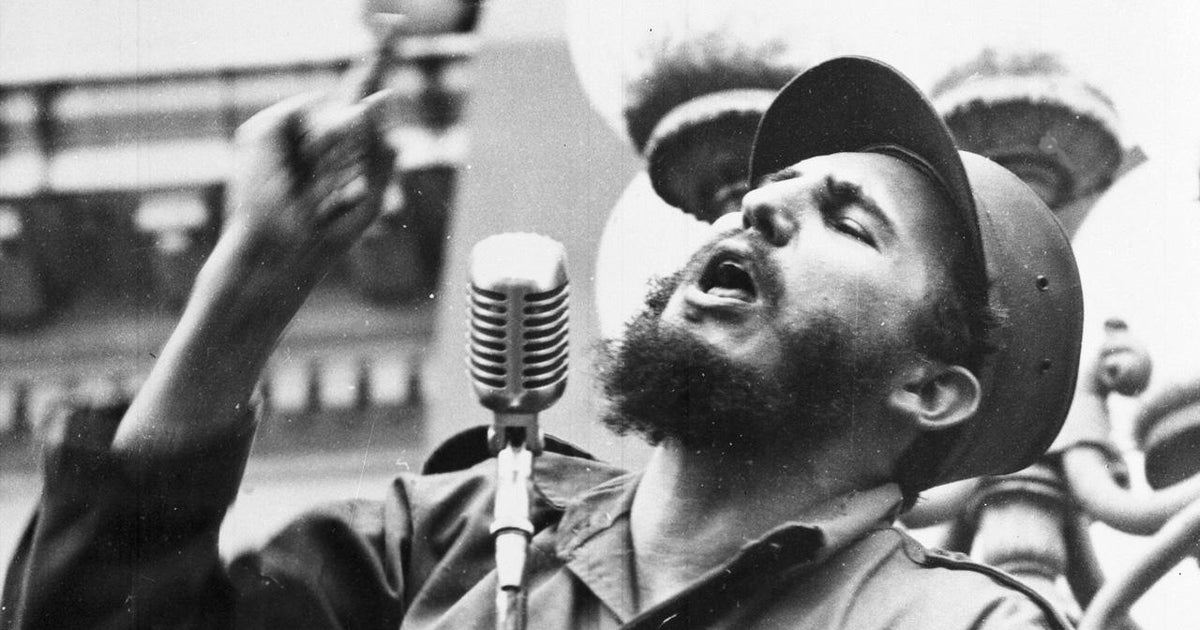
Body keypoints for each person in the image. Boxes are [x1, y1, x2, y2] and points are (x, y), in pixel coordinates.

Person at [2, 57, 1081, 629]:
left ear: (931, 389)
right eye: (766, 189)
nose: (755, 207)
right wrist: (249, 284)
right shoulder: (449, 539)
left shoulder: (961, 622)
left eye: (849, 221)